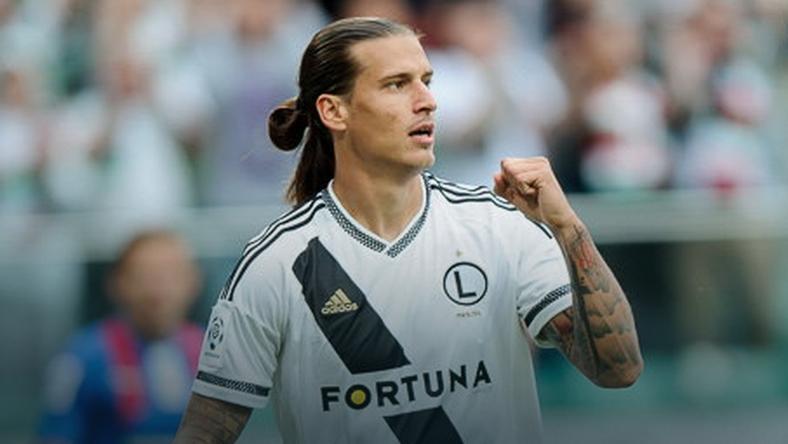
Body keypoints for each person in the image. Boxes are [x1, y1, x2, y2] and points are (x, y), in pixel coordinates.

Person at [175, 17, 643, 443]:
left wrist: (568, 228)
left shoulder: (498, 225)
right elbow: (205, 430)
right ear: (334, 111)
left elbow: (617, 369)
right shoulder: (279, 262)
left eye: (426, 81)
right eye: (397, 84)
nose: (428, 101)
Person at [39, 229, 204, 443]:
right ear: (117, 283)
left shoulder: (210, 353)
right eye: (145, 277)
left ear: (194, 282)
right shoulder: (83, 358)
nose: (159, 290)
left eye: (172, 276)